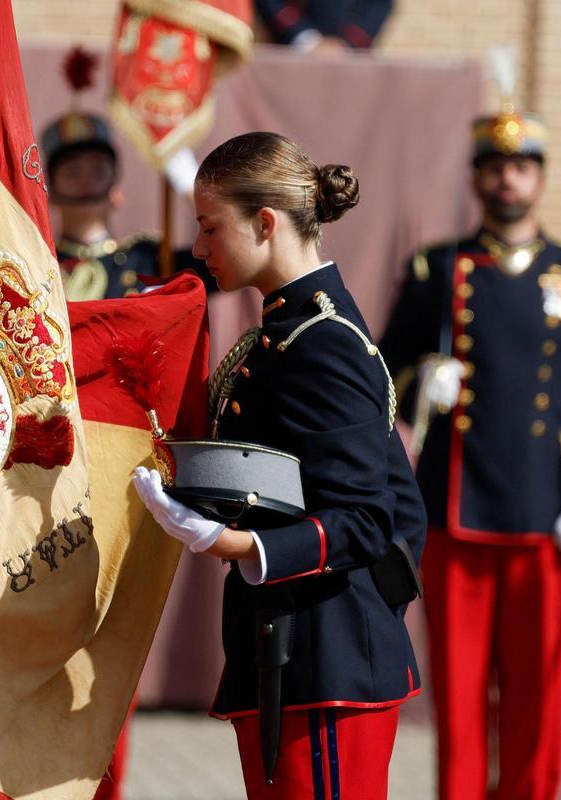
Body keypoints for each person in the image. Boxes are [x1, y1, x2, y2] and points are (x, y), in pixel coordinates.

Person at [133, 131, 425, 799]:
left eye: (210, 226)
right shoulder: (284, 334)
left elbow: (368, 519)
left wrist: (236, 543)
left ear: (265, 223)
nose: (200, 246)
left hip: (326, 659)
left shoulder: (322, 343)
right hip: (293, 649)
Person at [379, 108, 561, 797]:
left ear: (540, 179)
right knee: (458, 695)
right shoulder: (439, 266)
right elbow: (383, 375)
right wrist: (422, 379)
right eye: (495, 167)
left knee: (536, 696)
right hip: (457, 511)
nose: (508, 178)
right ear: (477, 178)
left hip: (547, 511)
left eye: (521, 167)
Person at [41, 46, 213, 303]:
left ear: (116, 191)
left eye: (98, 170)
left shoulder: (148, 261)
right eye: (72, 171)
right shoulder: (38, 266)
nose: (86, 179)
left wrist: (191, 184)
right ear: (51, 192)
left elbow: (222, 259)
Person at [255, 0, 394, 51]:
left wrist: (346, 45)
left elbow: (380, 4)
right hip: (290, 50)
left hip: (349, 60)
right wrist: (307, 39)